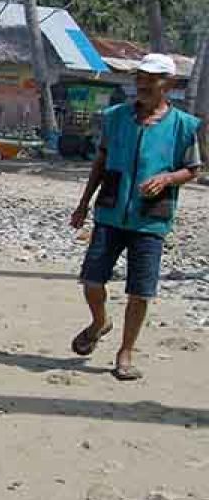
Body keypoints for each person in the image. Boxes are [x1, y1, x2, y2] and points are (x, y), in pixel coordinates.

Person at [70, 54, 202, 380]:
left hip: (151, 219)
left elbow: (194, 169)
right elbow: (100, 162)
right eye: (140, 76)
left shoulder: (184, 125)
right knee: (91, 281)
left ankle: (125, 352)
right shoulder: (115, 117)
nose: (142, 83)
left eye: (151, 78)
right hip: (111, 209)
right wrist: (84, 203)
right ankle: (100, 322)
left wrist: (168, 179)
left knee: (140, 291)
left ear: (168, 85)